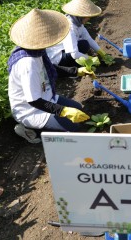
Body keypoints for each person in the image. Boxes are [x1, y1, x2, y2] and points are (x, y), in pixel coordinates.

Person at [8, 8, 91, 144]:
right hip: (30, 111)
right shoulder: (28, 63)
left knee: (78, 108)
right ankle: (31, 130)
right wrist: (62, 111)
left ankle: (49, 124)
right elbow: (34, 100)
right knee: (74, 126)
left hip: (46, 96)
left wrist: (77, 71)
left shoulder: (37, 51)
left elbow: (51, 69)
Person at [47, 0, 112, 67]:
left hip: (66, 50)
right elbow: (74, 54)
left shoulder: (77, 22)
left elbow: (88, 38)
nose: (89, 18)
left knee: (84, 44)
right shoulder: (69, 28)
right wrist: (90, 59)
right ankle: (70, 67)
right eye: (87, 16)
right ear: (80, 16)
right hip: (57, 57)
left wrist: (101, 52)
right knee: (82, 54)